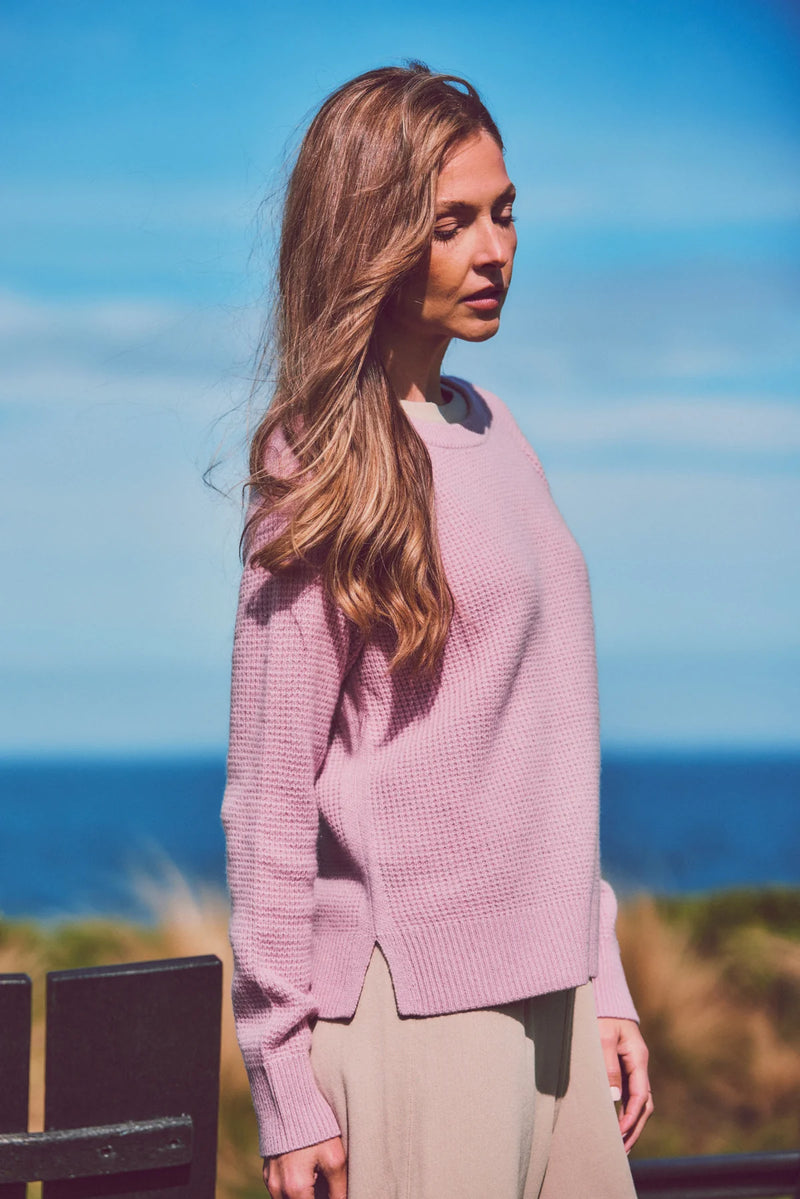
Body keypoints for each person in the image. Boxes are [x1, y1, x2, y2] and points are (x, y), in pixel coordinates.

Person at [221, 62, 653, 1199]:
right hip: (410, 1015)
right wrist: (281, 1080)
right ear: (369, 239)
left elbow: (543, 746)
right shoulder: (317, 467)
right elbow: (269, 793)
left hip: (549, 1004)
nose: (493, 249)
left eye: (503, 212)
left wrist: (597, 978)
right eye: (450, 223)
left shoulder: (497, 428)